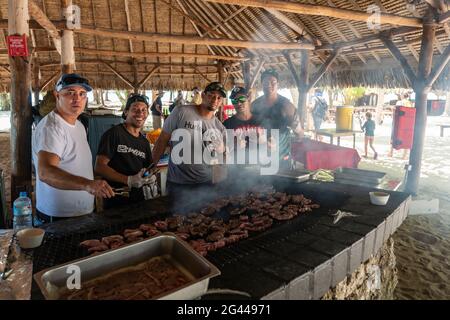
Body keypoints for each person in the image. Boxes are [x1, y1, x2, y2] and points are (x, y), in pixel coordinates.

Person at [32, 73, 114, 223]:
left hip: (81, 214)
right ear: (57, 96)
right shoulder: (52, 128)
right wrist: (88, 185)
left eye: (82, 94)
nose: (77, 99)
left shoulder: (79, 125)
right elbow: (45, 172)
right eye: (70, 93)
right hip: (59, 218)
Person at [151, 82, 227, 214]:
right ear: (203, 95)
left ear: (221, 102)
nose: (215, 100)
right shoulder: (181, 112)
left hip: (205, 184)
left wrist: (223, 150)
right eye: (211, 95)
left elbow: (223, 161)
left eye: (219, 98)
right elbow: (163, 139)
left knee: (203, 221)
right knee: (175, 218)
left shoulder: (220, 128)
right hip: (177, 183)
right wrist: (152, 165)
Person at [95, 93, 156, 209]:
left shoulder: (144, 142)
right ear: (126, 112)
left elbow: (148, 168)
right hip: (115, 198)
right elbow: (99, 167)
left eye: (144, 110)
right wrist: (128, 180)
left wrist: (149, 176)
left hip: (139, 199)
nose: (140, 113)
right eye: (135, 109)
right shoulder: (114, 134)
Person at [251, 69, 303, 169]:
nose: (269, 85)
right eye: (266, 82)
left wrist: (296, 129)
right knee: (259, 184)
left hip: (281, 156)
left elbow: (299, 133)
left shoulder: (287, 106)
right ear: (262, 84)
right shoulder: (255, 105)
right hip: (260, 156)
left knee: (282, 184)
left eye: (273, 82)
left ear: (278, 84)